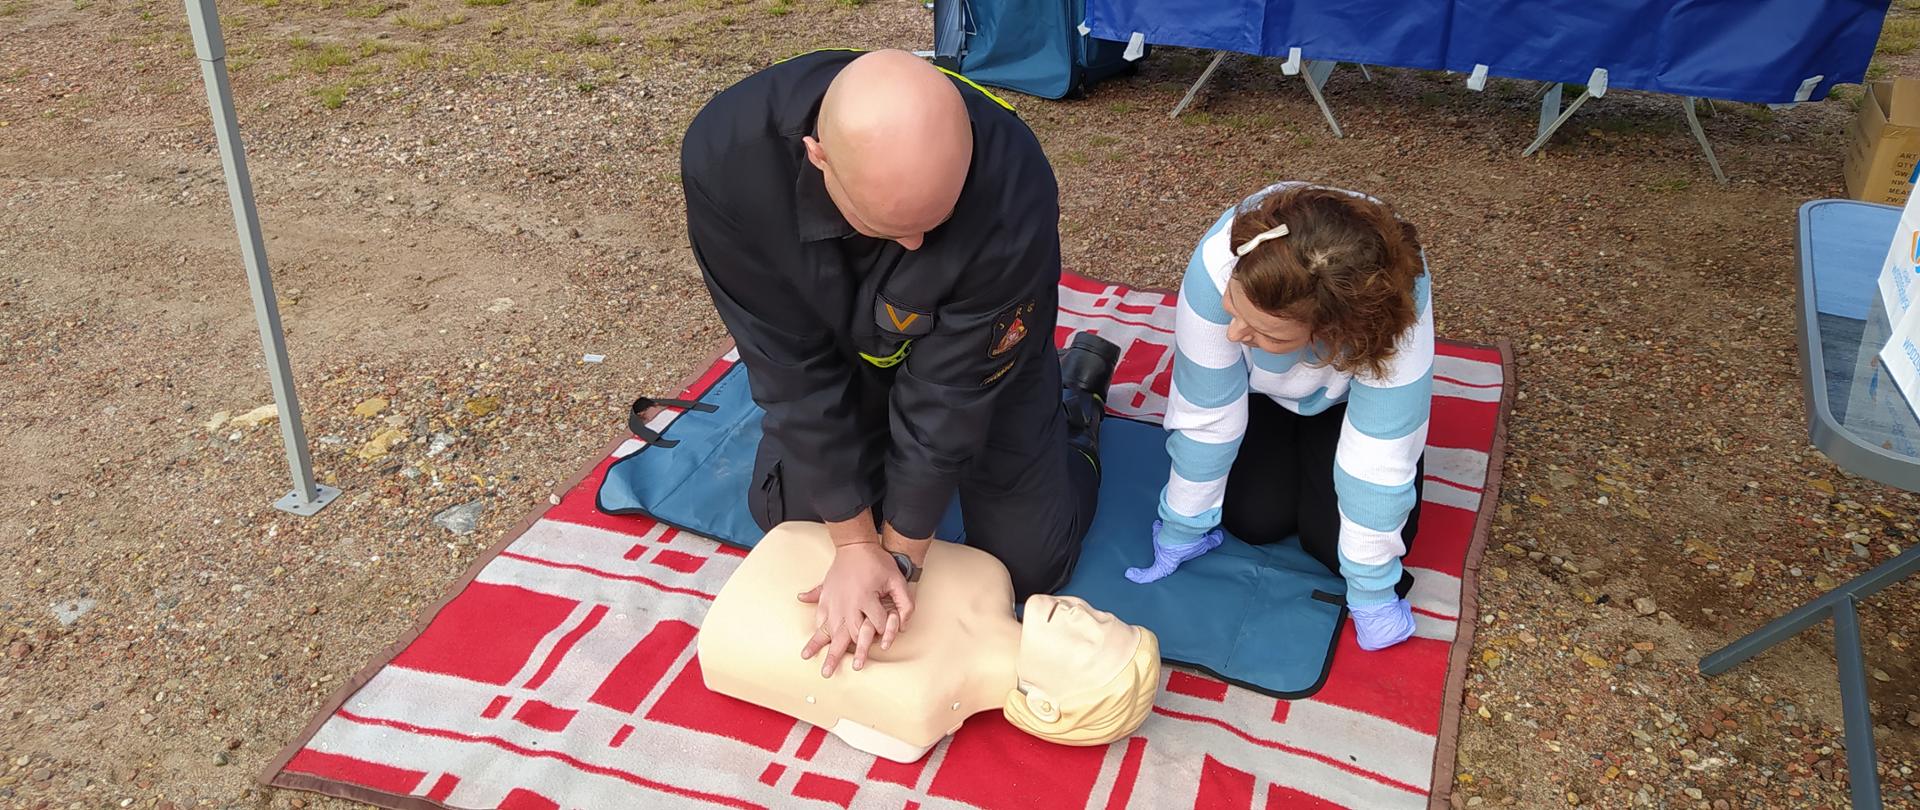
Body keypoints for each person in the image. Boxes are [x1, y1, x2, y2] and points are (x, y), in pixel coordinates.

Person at [678, 48, 1121, 680]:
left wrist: (901, 557)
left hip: (978, 364)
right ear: (818, 156)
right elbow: (787, 365)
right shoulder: (729, 162)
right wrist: (856, 542)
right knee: (792, 522)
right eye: (887, 226)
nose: (914, 244)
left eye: (933, 223)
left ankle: (1076, 407)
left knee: (1029, 565)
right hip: (843, 353)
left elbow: (952, 394)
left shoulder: (1011, 180)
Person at [1129, 181, 1432, 652]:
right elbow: (1206, 414)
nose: (1233, 333)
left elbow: (1379, 461)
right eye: (1233, 309)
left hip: (1347, 403)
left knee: (1337, 546)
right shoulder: (1221, 263)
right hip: (1261, 393)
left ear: (1334, 334)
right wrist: (1181, 527)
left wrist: (1371, 594)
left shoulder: (1393, 314)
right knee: (1253, 519)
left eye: (1268, 333)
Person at [698, 521, 1160, 763]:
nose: (1085, 615)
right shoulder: (989, 571)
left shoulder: (923, 700)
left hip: (737, 623)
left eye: (1088, 643)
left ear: (1044, 707)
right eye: (1104, 618)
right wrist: (854, 545)